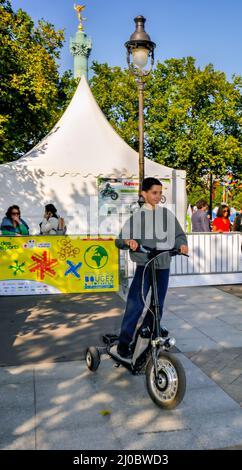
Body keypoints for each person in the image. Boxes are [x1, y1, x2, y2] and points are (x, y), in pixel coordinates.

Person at [115, 177, 188, 358]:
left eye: (160, 193)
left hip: (163, 266)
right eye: (154, 192)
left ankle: (146, 334)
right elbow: (119, 240)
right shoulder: (137, 217)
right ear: (144, 194)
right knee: (135, 304)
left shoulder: (166, 215)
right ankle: (124, 342)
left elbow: (179, 234)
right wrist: (128, 241)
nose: (158, 196)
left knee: (158, 305)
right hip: (145, 266)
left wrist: (182, 244)